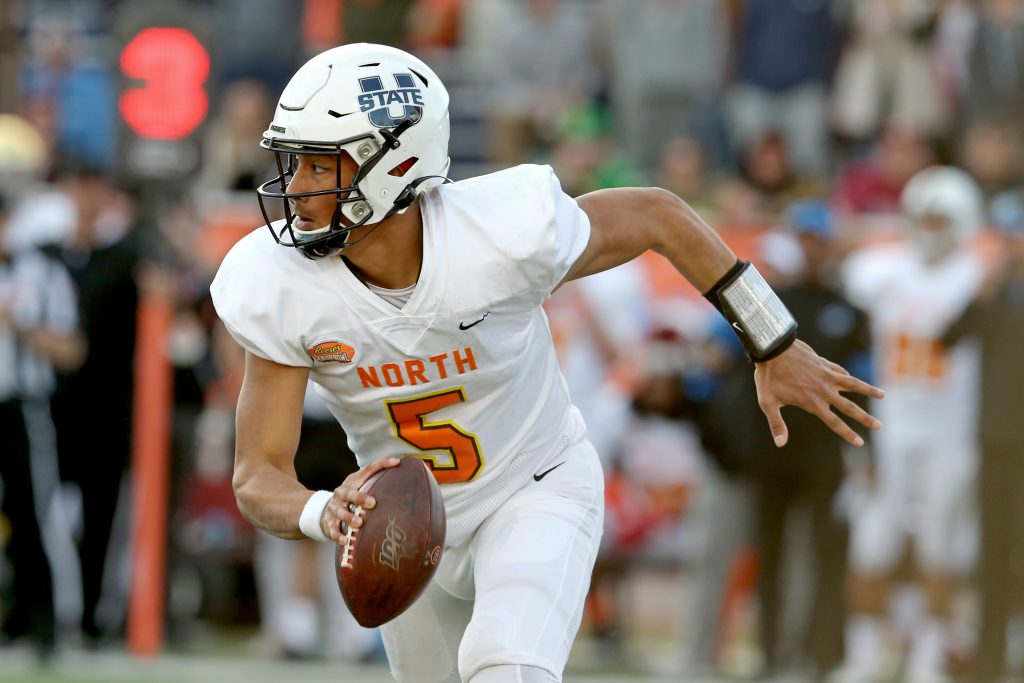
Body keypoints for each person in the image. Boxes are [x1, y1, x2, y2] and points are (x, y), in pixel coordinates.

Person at [210, 43, 884, 683]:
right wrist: (324, 511)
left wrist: (772, 339)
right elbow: (258, 473)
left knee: (505, 664)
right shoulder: (281, 282)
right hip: (405, 527)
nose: (294, 185)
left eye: (319, 164)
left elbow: (656, 213)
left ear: (394, 165)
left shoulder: (497, 235)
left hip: (532, 486)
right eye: (294, 161)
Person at [832, 166, 985, 683]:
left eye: (943, 218)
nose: (932, 227)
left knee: (941, 548)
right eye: (925, 216)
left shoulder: (977, 277)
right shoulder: (880, 269)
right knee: (872, 544)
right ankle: (865, 657)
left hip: (952, 431)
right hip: (889, 428)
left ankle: (928, 658)